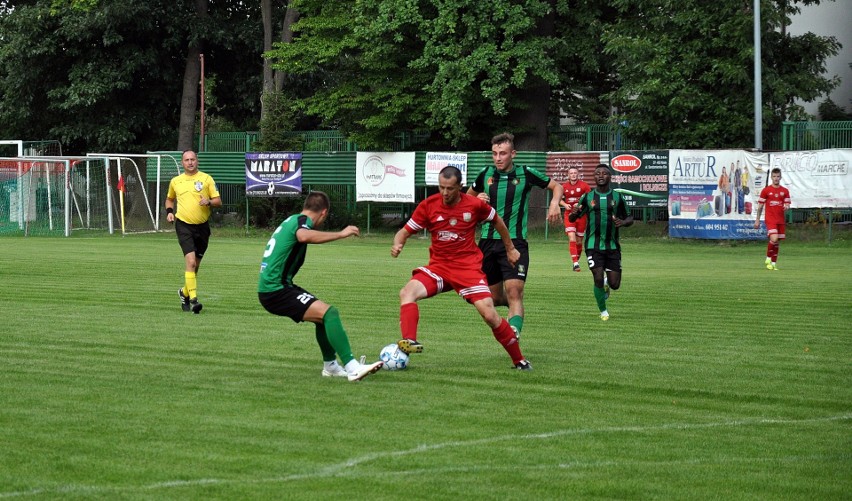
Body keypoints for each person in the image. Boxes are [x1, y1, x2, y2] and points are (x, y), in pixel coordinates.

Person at [391, 166, 532, 370]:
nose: (445, 193)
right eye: (441, 187)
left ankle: (519, 360)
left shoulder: (474, 205)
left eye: (450, 188)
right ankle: (409, 341)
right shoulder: (428, 205)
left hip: (467, 269)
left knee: (490, 315)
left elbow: (498, 222)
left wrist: (510, 248)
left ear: (460, 187)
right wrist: (398, 244)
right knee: (406, 292)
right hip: (439, 267)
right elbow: (403, 232)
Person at [258, 191, 383, 382]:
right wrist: (341, 234)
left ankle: (331, 366)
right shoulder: (301, 222)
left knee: (322, 317)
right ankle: (353, 367)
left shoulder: (292, 219)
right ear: (323, 213)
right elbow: (303, 236)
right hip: (275, 290)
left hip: (276, 287)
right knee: (329, 313)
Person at [467, 132, 563, 339]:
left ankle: (514, 332)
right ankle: (511, 305)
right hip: (487, 243)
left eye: (502, 153)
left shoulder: (525, 173)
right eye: (494, 154)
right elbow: (465, 202)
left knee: (514, 292)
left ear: (513, 154)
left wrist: (554, 203)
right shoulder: (485, 175)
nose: (498, 158)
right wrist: (477, 202)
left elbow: (557, 186)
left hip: (515, 242)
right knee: (494, 297)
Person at [568, 164, 634, 321]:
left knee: (615, 284)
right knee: (597, 276)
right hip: (593, 245)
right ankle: (603, 311)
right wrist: (574, 213)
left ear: (610, 177)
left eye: (604, 173)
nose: (601, 176)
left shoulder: (617, 197)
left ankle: (606, 283)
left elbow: (630, 217)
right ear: (594, 177)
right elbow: (572, 218)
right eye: (598, 173)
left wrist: (623, 222)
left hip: (612, 246)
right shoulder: (588, 197)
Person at [165, 150, 222, 314]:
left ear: (197, 161)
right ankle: (194, 300)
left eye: (192, 159)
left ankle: (184, 293)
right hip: (183, 225)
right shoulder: (176, 181)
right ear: (182, 163)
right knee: (190, 263)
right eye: (186, 160)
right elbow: (170, 198)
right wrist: (169, 211)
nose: (190, 162)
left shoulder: (206, 179)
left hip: (202, 227)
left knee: (195, 267)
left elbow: (218, 201)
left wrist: (209, 201)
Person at [753, 167, 791, 270]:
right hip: (770, 219)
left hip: (780, 220)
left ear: (780, 177)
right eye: (774, 176)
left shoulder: (785, 191)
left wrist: (786, 206)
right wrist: (757, 220)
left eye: (778, 176)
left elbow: (787, 203)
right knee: (773, 238)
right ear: (771, 177)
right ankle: (768, 257)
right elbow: (760, 206)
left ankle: (773, 264)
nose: (776, 178)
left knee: (777, 241)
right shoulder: (766, 190)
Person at [559, 166, 591, 272]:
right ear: (568, 175)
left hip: (581, 216)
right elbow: (559, 199)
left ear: (578, 174)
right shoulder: (564, 187)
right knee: (571, 237)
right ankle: (575, 263)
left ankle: (576, 261)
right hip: (569, 215)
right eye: (571, 173)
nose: (573, 174)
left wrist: (581, 204)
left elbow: (590, 199)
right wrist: (565, 204)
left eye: (575, 173)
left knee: (578, 241)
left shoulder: (584, 186)